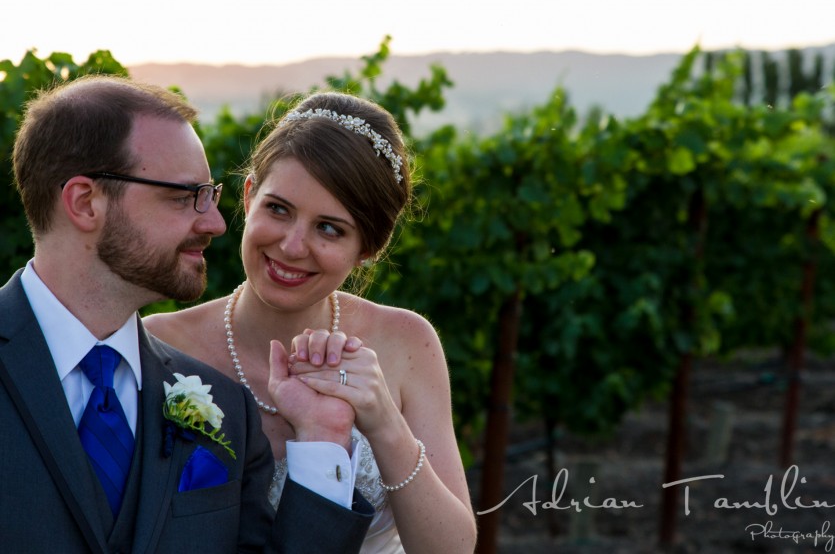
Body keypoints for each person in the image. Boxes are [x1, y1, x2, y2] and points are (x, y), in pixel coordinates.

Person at [0, 75, 374, 553]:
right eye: (183, 196)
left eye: (210, 195)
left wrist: (323, 436)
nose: (215, 223)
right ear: (85, 202)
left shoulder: (227, 410)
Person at [144, 92, 478, 553]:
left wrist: (382, 421)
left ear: (368, 249)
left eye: (329, 228)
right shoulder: (159, 346)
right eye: (278, 209)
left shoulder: (407, 344)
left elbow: (452, 549)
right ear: (248, 195)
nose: (292, 246)